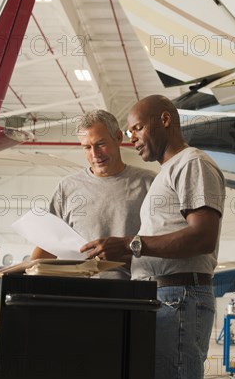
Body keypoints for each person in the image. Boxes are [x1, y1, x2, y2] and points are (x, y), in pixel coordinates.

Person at [81, 95, 226, 379]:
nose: (132, 137)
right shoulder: (166, 173)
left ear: (164, 120)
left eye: (137, 128)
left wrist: (132, 245)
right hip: (160, 298)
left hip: (179, 298)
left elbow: (203, 236)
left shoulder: (192, 163)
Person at [31, 109, 156, 279]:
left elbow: (163, 245)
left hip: (134, 291)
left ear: (118, 138)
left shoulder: (149, 183)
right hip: (82, 293)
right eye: (87, 147)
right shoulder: (67, 187)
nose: (95, 154)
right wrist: (24, 276)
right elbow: (49, 244)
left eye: (101, 144)